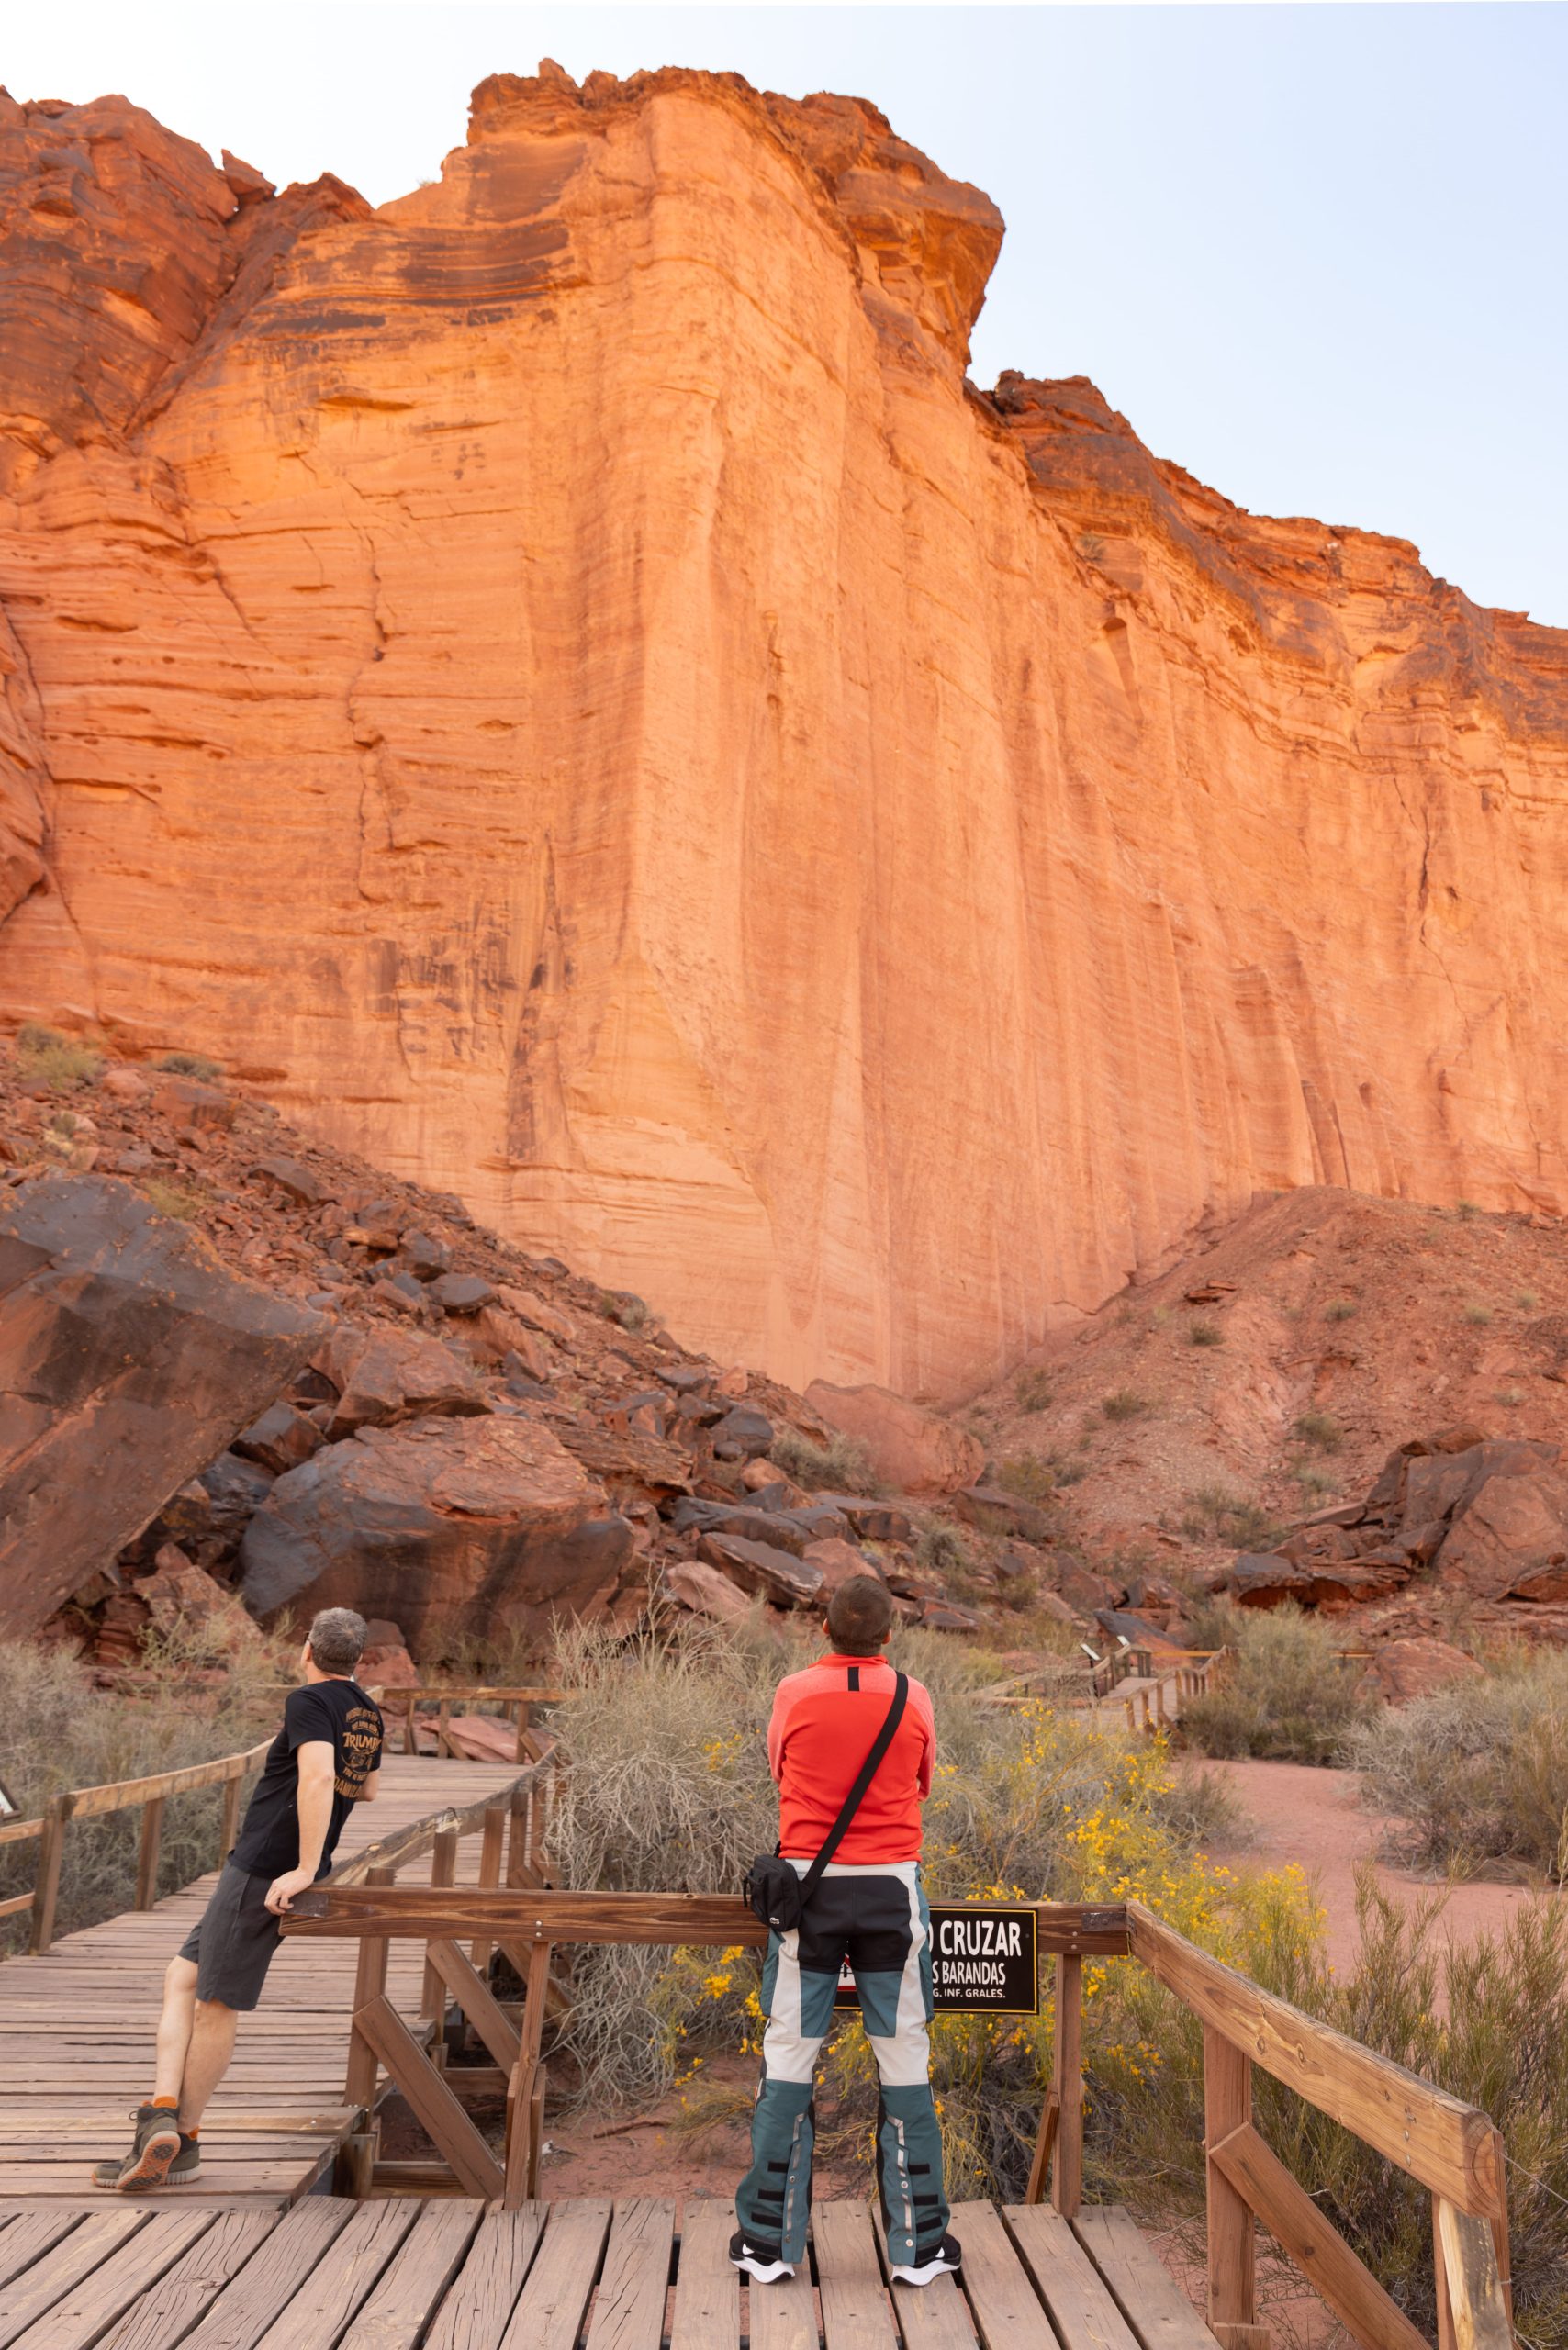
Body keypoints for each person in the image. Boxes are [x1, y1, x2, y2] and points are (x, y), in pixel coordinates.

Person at [92, 1606, 385, 2192]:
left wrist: (303, 1867)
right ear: (357, 1657)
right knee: (183, 1976)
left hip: (264, 1868)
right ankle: (161, 2119)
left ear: (307, 1649)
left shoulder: (308, 1702)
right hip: (266, 1864)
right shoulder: (367, 1711)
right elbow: (368, 1788)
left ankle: (185, 2144)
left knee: (216, 2002)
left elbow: (320, 1778)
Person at [733, 1574, 962, 2288]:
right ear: (890, 1635)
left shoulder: (793, 1692)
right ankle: (918, 2249)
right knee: (905, 2062)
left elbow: (780, 1771)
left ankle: (769, 2247)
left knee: (790, 2059)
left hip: (809, 1895)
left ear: (823, 1631)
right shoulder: (914, 1697)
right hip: (892, 1890)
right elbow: (921, 1784)